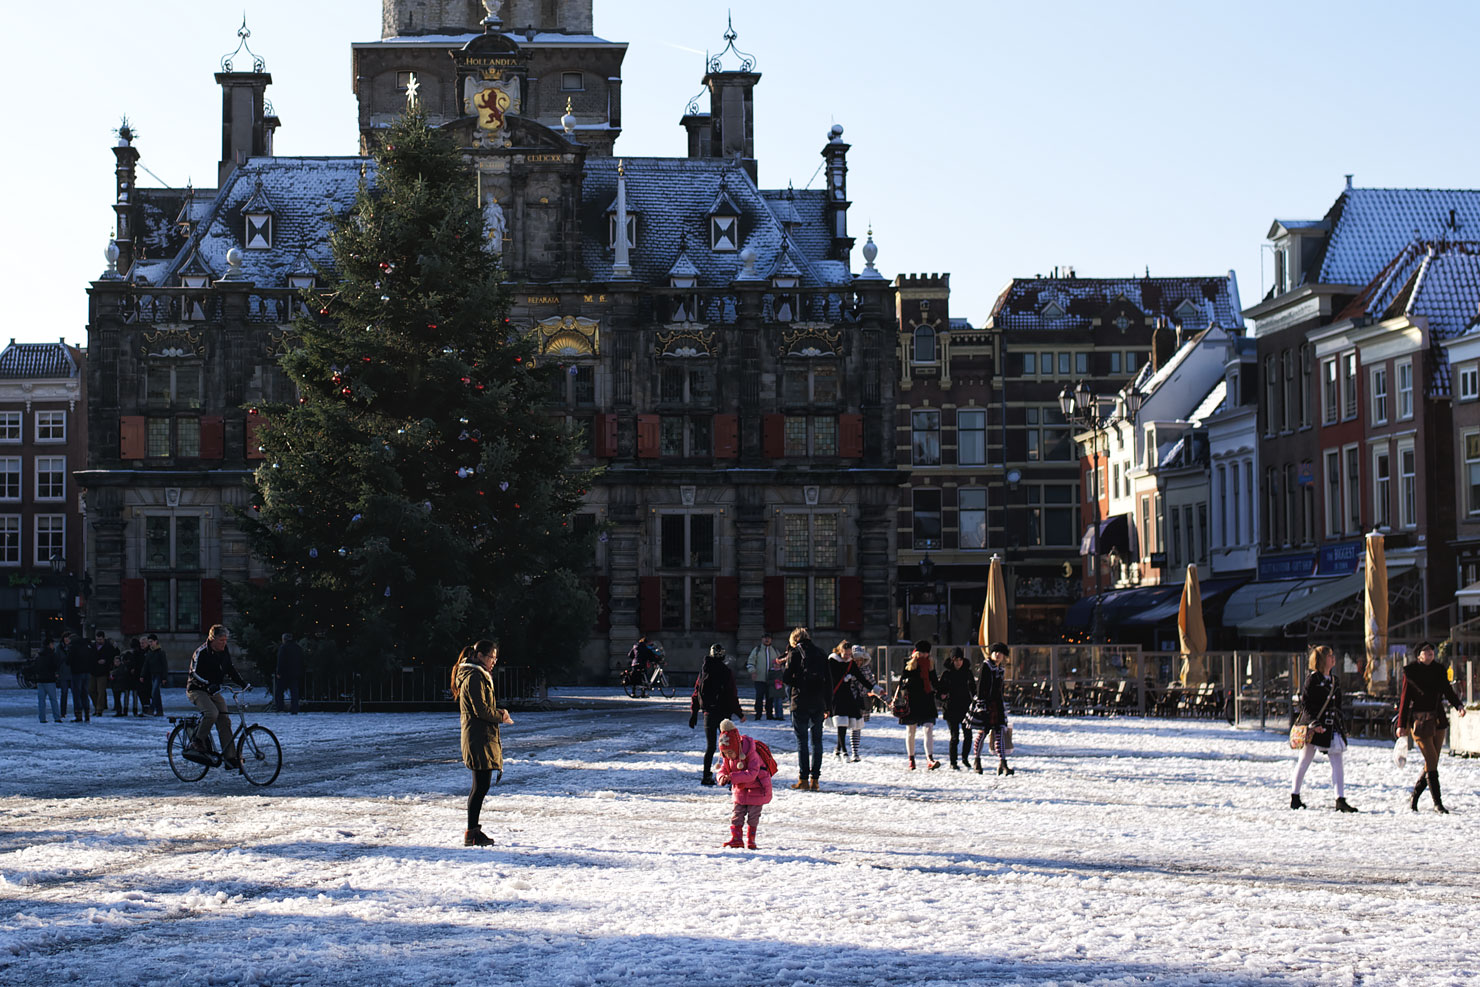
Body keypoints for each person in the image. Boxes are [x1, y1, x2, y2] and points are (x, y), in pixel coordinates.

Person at [1395, 641, 1467, 813]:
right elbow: (1404, 700)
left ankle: (1414, 798)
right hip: (1419, 722)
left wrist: (1459, 706)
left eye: (1431, 651)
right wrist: (1401, 725)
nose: (1430, 653)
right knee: (1431, 760)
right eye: (1426, 651)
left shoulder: (1439, 670)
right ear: (1419, 654)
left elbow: (1448, 691)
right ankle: (1437, 803)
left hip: (1438, 720)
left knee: (1432, 761)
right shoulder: (1411, 672)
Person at [451, 639, 511, 847]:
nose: (493, 661)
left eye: (495, 657)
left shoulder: (477, 675)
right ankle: (472, 833)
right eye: (491, 657)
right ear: (479, 656)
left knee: (481, 785)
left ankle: (473, 831)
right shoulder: (474, 677)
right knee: (480, 786)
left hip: (480, 735)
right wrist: (501, 715)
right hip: (477, 737)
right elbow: (482, 710)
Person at [1291, 645, 1358, 812]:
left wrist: (1342, 725)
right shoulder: (1312, 679)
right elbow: (1305, 705)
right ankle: (1295, 796)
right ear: (1321, 660)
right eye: (1329, 656)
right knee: (1304, 760)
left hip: (1331, 727)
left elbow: (1338, 706)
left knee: (1337, 762)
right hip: (1315, 728)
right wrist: (1314, 723)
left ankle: (1340, 799)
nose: (1333, 658)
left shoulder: (1335, 680)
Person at [185, 625, 247, 768]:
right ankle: (197, 740)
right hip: (197, 690)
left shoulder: (224, 651)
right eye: (221, 640)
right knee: (212, 713)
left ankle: (230, 758)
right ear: (212, 639)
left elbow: (230, 668)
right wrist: (207, 684)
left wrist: (242, 683)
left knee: (224, 719)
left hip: (213, 690)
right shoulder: (201, 652)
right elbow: (194, 674)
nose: (224, 643)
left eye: (225, 640)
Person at [782, 627, 832, 791]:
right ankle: (815, 780)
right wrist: (828, 705)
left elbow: (786, 678)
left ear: (794, 640)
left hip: (800, 701)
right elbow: (829, 682)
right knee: (817, 741)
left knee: (802, 741)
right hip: (818, 702)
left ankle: (803, 779)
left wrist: (798, 681)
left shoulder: (794, 653)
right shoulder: (821, 653)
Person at [689, 644, 746, 786]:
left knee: (710, 747)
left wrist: (694, 712)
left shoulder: (704, 670)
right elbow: (732, 695)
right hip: (724, 715)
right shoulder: (726, 671)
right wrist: (739, 713)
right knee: (729, 746)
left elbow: (696, 692)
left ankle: (706, 776)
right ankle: (730, 775)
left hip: (708, 713)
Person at [715, 718, 773, 849]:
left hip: (758, 789)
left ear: (737, 747)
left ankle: (751, 840)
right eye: (725, 753)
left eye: (730, 752)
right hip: (740, 790)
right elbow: (723, 769)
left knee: (753, 816)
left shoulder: (751, 754)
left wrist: (732, 777)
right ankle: (736, 839)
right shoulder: (728, 757)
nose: (728, 756)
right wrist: (722, 777)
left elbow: (752, 774)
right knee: (736, 815)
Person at [968, 642, 1013, 775]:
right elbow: (981, 686)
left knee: (1000, 732)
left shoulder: (1001, 669)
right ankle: (977, 760)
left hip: (997, 704)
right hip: (986, 703)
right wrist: (981, 704)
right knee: (983, 732)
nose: (998, 655)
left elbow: (1000, 689)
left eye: (1000, 653)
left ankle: (1003, 762)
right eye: (996, 652)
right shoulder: (986, 666)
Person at [897, 640, 941, 770]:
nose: (923, 655)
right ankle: (911, 758)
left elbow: (934, 680)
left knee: (929, 728)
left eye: (926, 653)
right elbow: (902, 682)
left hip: (926, 699)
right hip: (912, 700)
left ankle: (930, 759)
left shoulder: (930, 664)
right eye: (921, 653)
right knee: (911, 730)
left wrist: (942, 691)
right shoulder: (909, 663)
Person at [828, 641, 874, 762]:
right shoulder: (832, 661)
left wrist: (875, 688)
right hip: (836, 695)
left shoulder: (850, 663)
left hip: (847, 696)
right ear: (840, 651)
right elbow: (829, 679)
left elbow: (861, 678)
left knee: (848, 723)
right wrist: (843, 678)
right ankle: (844, 751)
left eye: (849, 654)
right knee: (841, 723)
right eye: (845, 654)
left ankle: (838, 750)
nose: (848, 656)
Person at [938, 647, 975, 770]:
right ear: (952, 660)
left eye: (960, 659)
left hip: (965, 708)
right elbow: (939, 692)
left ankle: (965, 758)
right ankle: (953, 761)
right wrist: (943, 696)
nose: (958, 662)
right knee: (955, 736)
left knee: (968, 735)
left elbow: (974, 690)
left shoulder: (967, 673)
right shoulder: (947, 674)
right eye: (956, 660)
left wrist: (976, 701)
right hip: (951, 708)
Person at [746, 632, 785, 720]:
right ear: (762, 639)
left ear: (771, 640)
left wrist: (781, 671)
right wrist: (752, 672)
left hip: (772, 679)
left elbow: (780, 662)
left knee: (770, 698)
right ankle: (758, 714)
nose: (767, 640)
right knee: (759, 697)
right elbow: (750, 662)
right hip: (759, 679)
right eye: (765, 638)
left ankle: (769, 714)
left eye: (768, 638)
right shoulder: (757, 650)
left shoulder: (775, 650)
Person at [64, 630, 92, 722]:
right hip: (87, 671)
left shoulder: (72, 647)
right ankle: (87, 714)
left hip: (76, 672)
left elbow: (68, 660)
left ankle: (79, 715)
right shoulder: (86, 646)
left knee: (77, 694)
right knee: (85, 693)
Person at [34, 637, 63, 723]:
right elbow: (55, 665)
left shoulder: (39, 654)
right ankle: (57, 717)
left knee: (41, 701)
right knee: (53, 699)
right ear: (49, 644)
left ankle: (42, 718)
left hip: (40, 680)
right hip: (49, 680)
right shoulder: (52, 654)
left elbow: (36, 667)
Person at [90, 630, 118, 715]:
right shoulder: (92, 646)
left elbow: (114, 656)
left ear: (103, 638)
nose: (99, 641)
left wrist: (106, 661)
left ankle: (99, 709)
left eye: (100, 639)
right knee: (91, 690)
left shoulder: (108, 647)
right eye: (97, 639)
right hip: (93, 671)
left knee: (101, 691)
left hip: (103, 672)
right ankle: (97, 706)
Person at [276, 631, 305, 714]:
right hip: (295, 673)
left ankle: (280, 708)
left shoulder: (283, 647)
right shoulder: (297, 648)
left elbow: (281, 661)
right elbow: (301, 660)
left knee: (279, 691)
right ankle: (294, 708)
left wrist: (279, 672)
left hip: (284, 673)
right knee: (294, 692)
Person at [145, 634, 169, 716]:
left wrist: (164, 677)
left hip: (158, 675)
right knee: (156, 693)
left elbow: (164, 665)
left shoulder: (160, 652)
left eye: (151, 642)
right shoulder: (150, 653)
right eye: (149, 642)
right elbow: (146, 665)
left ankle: (152, 709)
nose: (150, 644)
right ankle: (159, 710)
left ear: (156, 641)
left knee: (154, 692)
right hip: (153, 674)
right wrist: (142, 675)